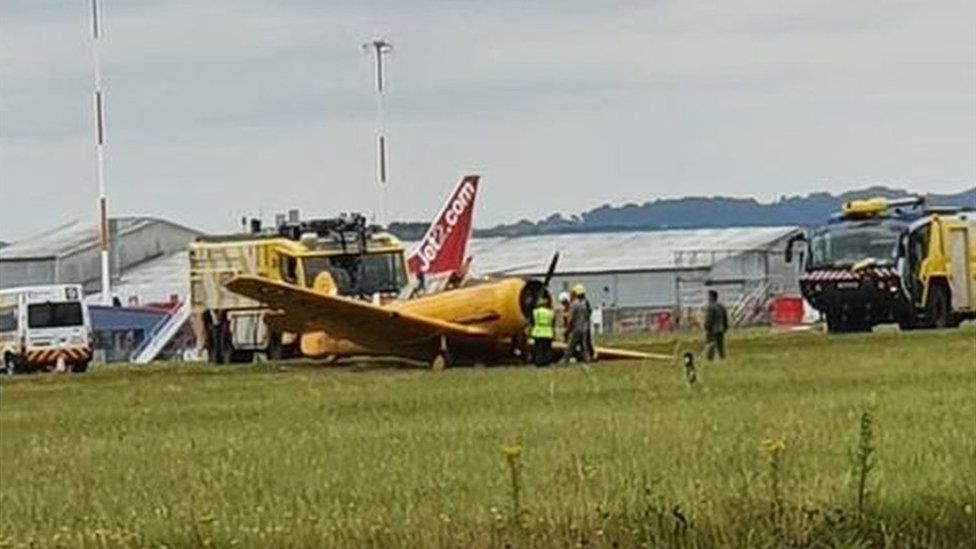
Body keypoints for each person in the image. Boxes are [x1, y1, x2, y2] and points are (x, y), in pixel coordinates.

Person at [564, 286, 591, 364]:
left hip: (576, 328)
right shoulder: (585, 303)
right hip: (585, 327)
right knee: (584, 345)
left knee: (570, 345)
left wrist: (568, 328)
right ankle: (587, 358)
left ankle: (566, 359)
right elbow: (588, 314)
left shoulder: (574, 304)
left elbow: (571, 317)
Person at [704, 290, 729, 360]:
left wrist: (706, 327)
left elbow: (709, 319)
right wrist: (725, 327)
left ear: (712, 297)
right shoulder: (722, 306)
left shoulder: (710, 307)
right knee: (721, 346)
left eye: (709, 296)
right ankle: (722, 357)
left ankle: (710, 359)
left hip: (712, 330)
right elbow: (725, 318)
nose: (708, 298)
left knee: (711, 345)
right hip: (721, 329)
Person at [530, 296, 555, 366]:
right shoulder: (550, 312)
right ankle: (547, 362)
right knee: (547, 349)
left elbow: (532, 322)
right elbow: (553, 323)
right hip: (548, 332)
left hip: (538, 332)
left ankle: (538, 362)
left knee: (538, 349)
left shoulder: (535, 312)